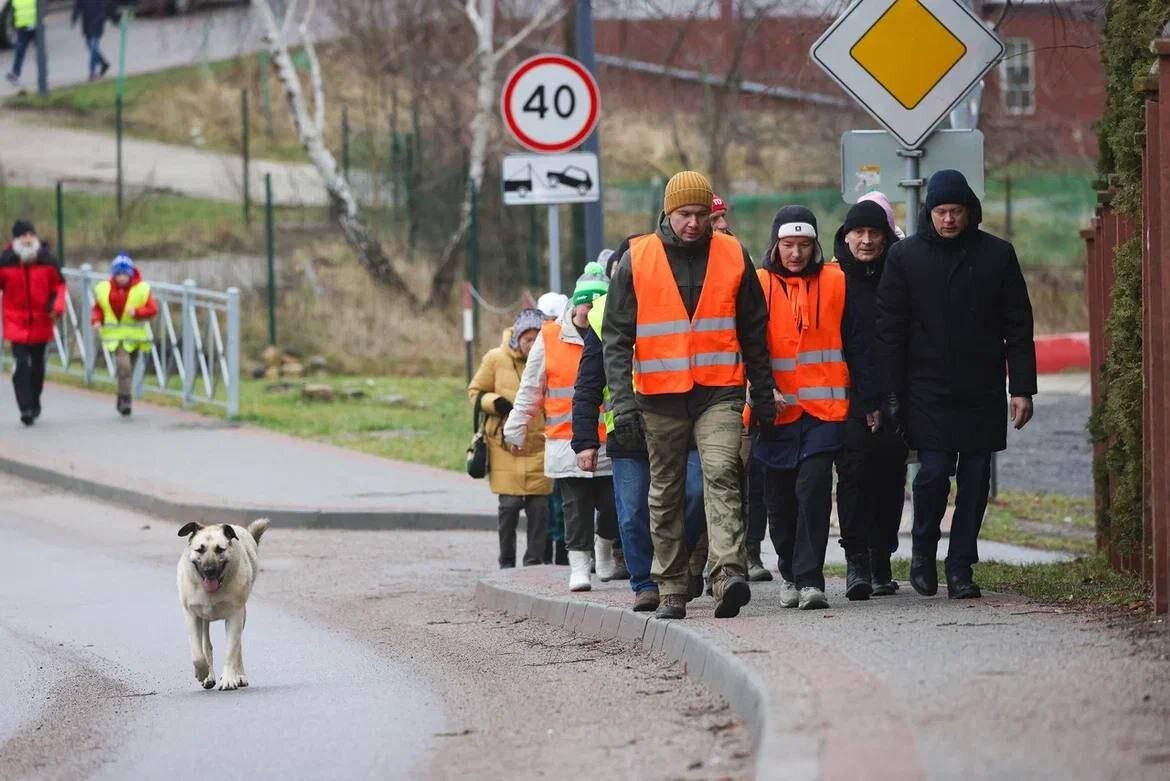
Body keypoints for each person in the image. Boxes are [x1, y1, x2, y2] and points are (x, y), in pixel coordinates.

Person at [604, 170, 775, 620]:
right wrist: (623, 405)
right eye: (685, 215)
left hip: (718, 390)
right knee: (665, 491)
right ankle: (673, 586)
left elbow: (755, 330)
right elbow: (616, 339)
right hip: (659, 397)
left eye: (702, 214)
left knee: (721, 473)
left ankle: (726, 576)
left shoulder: (734, 254)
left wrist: (764, 390)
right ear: (667, 212)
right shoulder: (637, 259)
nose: (694, 223)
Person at [875, 169, 1037, 599]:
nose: (948, 220)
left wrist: (1021, 388)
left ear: (970, 212)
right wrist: (890, 392)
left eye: (957, 212)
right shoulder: (905, 257)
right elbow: (889, 328)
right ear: (930, 213)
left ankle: (961, 565)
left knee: (977, 476)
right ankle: (923, 553)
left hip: (981, 385)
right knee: (931, 475)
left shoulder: (997, 256)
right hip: (925, 387)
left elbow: (1018, 324)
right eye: (941, 212)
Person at [572, 241, 707, 612]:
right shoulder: (601, 318)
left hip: (681, 422)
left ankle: (674, 568)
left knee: (694, 495)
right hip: (628, 432)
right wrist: (585, 439)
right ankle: (646, 583)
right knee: (632, 512)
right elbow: (587, 383)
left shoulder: (679, 307)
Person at [750, 205, 859, 610]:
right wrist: (762, 389)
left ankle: (811, 580)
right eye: (788, 245)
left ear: (815, 245)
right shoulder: (758, 284)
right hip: (775, 412)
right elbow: (746, 343)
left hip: (824, 410)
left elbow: (853, 338)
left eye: (804, 245)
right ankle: (790, 574)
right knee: (778, 499)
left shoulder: (836, 281)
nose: (795, 253)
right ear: (775, 245)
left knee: (813, 487)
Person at [506, 263, 623, 592]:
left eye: (600, 302)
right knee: (575, 508)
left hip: (610, 441)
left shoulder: (613, 331)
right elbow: (531, 387)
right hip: (564, 441)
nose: (592, 309)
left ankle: (603, 546)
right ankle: (579, 567)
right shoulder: (550, 336)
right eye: (588, 302)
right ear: (576, 302)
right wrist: (516, 429)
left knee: (614, 506)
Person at [832, 200, 907, 599]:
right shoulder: (834, 280)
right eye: (858, 233)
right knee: (854, 475)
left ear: (885, 236)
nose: (865, 240)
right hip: (848, 397)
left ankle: (882, 557)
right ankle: (857, 561)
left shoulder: (899, 275)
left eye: (873, 233)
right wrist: (862, 400)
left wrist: (891, 398)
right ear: (845, 237)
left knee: (891, 479)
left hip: (894, 395)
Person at [468, 308, 552, 569]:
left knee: (540, 510)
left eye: (536, 337)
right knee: (509, 507)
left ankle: (535, 564)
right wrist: (497, 403)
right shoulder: (495, 359)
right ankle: (506, 563)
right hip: (505, 447)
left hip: (539, 444)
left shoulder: (551, 358)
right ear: (518, 338)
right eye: (527, 338)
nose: (531, 343)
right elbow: (475, 393)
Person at [0, 220, 65, 425]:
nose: (28, 239)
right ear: (16, 240)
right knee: (21, 364)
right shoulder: (6, 261)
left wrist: (57, 307)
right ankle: (25, 408)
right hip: (15, 320)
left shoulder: (47, 260)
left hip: (41, 320)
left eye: (30, 235)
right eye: (23, 236)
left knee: (37, 365)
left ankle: (35, 400)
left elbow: (59, 287)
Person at [90, 254, 158, 416]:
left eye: (124, 274)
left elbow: (153, 309)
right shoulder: (103, 288)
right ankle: (126, 399)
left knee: (129, 369)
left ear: (130, 273)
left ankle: (122, 395)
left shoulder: (142, 289)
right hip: (115, 336)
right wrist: (96, 320)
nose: (121, 278)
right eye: (118, 274)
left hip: (135, 337)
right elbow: (98, 308)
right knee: (124, 367)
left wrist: (137, 312)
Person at [536, 290, 570, 565]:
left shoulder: (562, 344)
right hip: (547, 438)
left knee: (562, 504)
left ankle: (562, 555)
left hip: (563, 439)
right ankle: (548, 555)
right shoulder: (543, 343)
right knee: (550, 503)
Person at [72, 0, 111, 82]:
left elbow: (106, 7)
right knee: (91, 48)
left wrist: (105, 17)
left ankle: (92, 73)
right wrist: (74, 18)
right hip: (87, 25)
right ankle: (104, 64)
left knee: (93, 48)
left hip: (97, 23)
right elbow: (77, 7)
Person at [5, 0, 39, 87]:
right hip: (22, 28)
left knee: (39, 52)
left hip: (35, 27)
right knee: (20, 51)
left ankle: (43, 74)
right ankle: (15, 74)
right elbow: (12, 12)